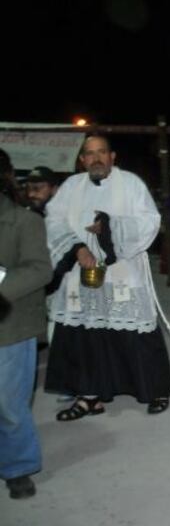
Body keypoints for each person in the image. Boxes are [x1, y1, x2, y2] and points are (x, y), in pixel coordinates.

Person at [43, 134, 170, 418]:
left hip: (123, 271)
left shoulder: (131, 184)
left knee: (137, 333)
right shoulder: (71, 186)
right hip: (82, 273)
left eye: (102, 152)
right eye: (90, 154)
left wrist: (111, 227)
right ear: (82, 160)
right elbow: (53, 220)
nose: (97, 158)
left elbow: (149, 221)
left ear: (112, 156)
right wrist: (77, 248)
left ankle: (154, 390)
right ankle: (89, 396)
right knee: (84, 334)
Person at [0, 149, 53, 499]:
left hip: (10, 327)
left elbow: (40, 269)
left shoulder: (24, 221)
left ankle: (18, 467)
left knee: (9, 404)